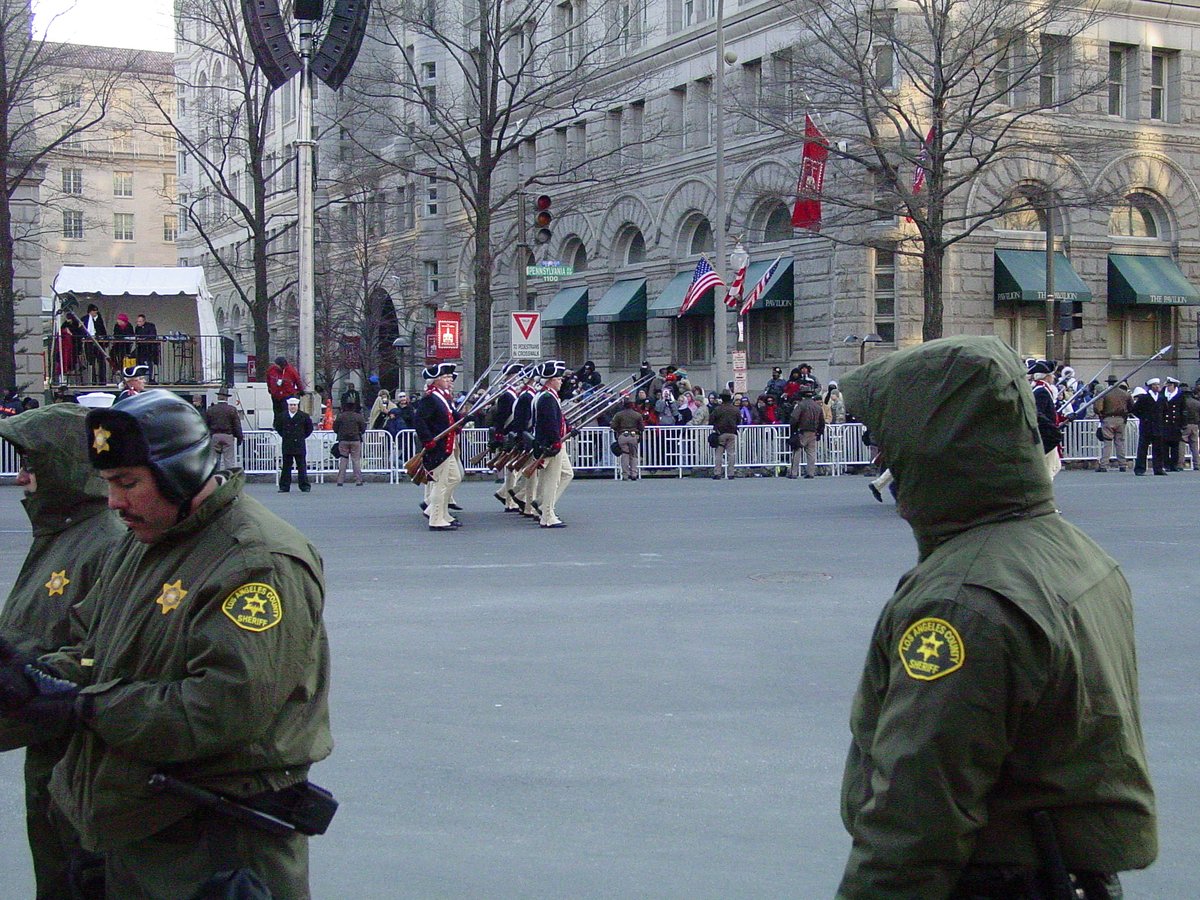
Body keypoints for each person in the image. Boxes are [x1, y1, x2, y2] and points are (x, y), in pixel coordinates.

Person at [836, 335, 1156, 899]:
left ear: (935, 442)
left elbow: (917, 819)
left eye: (888, 439)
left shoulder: (962, 600)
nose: (882, 457)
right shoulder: (1070, 551)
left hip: (992, 879)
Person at [0, 389, 333, 897]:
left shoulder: (256, 562)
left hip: (215, 852)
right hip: (138, 832)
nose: (114, 502)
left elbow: (221, 709)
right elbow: (93, 651)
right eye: (108, 484)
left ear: (182, 472)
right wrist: (33, 678)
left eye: (128, 483)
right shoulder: (144, 544)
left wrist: (85, 706)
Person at [0, 405, 125, 899]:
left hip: (83, 772)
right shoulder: (60, 535)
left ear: (65, 466)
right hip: (52, 764)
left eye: (32, 465)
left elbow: (95, 660)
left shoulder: (104, 543)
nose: (21, 479)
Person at [415, 363, 462, 530]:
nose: (448, 380)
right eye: (444, 377)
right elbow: (420, 421)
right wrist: (428, 441)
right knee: (441, 484)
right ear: (435, 381)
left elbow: (450, 417)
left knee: (454, 478)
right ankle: (436, 518)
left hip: (447, 446)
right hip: (439, 447)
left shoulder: (442, 397)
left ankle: (441, 513)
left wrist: (462, 419)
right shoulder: (430, 398)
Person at [533, 360, 573, 527]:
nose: (561, 381)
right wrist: (555, 442)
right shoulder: (547, 398)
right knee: (551, 481)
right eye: (558, 379)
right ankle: (547, 515)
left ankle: (543, 505)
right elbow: (549, 423)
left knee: (567, 473)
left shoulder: (548, 396)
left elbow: (556, 420)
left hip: (553, 442)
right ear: (550, 380)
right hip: (551, 444)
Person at [488, 362, 527, 510]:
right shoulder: (506, 395)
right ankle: (510, 502)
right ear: (509, 377)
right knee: (512, 471)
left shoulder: (515, 393)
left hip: (514, 434)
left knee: (516, 470)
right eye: (516, 376)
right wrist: (499, 436)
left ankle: (504, 493)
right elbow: (501, 417)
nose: (519, 378)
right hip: (508, 434)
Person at [1028, 359, 1061, 479]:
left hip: (1047, 431)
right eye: (1051, 375)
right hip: (1046, 434)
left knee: (1055, 466)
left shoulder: (1041, 389)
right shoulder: (1041, 391)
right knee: (1049, 468)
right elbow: (1039, 414)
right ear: (1046, 376)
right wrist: (1051, 428)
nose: (1053, 377)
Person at [274, 395, 313, 492]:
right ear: (288, 406)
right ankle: (284, 486)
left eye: (294, 405)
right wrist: (285, 436)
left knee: (302, 466)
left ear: (297, 406)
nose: (293, 407)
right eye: (291, 405)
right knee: (286, 467)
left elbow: (309, 429)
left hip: (299, 444)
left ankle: (304, 486)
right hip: (287, 444)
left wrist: (301, 436)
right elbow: (278, 427)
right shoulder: (282, 416)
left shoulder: (304, 416)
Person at [1093, 374, 1132, 472]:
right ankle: (1122, 464)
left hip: (1108, 418)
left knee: (1107, 442)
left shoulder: (1104, 393)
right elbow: (1131, 407)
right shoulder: (1125, 394)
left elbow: (1098, 408)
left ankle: (1104, 465)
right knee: (1120, 442)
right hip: (1121, 419)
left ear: (1108, 383)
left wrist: (1100, 415)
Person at [1132, 377, 1167, 476]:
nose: (1157, 386)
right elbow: (1135, 409)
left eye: (1158, 385)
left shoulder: (1161, 398)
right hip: (1146, 426)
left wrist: (1162, 421)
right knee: (1143, 448)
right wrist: (1143, 418)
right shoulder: (1144, 398)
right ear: (1151, 387)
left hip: (1158, 426)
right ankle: (1140, 468)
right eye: (1155, 385)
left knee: (1158, 449)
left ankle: (1158, 468)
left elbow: (1165, 411)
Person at [787, 387, 824, 479]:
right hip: (813, 432)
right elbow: (822, 421)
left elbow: (794, 418)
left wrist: (793, 430)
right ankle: (810, 472)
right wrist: (819, 432)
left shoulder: (801, 405)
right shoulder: (817, 407)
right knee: (811, 453)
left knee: (797, 451)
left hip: (802, 431)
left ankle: (794, 472)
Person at [204, 388, 244, 470]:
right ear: (227, 398)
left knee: (215, 460)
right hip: (228, 436)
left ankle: (216, 476)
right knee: (229, 460)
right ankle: (228, 476)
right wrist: (239, 438)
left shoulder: (211, 409)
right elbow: (237, 425)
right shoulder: (232, 409)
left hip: (215, 436)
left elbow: (206, 424)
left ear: (218, 397)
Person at [333, 400, 367, 486]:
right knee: (356, 460)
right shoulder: (358, 416)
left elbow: (335, 428)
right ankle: (358, 480)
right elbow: (363, 428)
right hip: (355, 439)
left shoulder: (340, 416)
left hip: (343, 440)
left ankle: (340, 480)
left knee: (343, 460)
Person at [610, 397, 644, 481]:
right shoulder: (637, 415)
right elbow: (642, 427)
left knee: (625, 455)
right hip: (634, 435)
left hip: (622, 435)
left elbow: (613, 426)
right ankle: (634, 474)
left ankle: (625, 474)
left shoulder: (618, 415)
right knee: (634, 455)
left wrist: (618, 429)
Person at [709, 391, 739, 479]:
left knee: (719, 454)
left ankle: (717, 473)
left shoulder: (718, 409)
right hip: (732, 433)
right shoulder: (735, 409)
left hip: (720, 433)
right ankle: (731, 473)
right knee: (731, 454)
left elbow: (711, 420)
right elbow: (738, 420)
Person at [1161, 376, 1186, 471]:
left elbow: (1183, 410)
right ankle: (1166, 464)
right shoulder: (1163, 395)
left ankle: (1174, 465)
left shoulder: (1180, 395)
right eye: (1167, 385)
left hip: (1175, 424)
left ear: (1174, 386)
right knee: (1165, 446)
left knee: (1175, 446)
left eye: (1170, 385)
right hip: (1165, 424)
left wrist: (1183, 424)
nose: (1168, 387)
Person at [81, 304, 108, 383]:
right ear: (90, 311)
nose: (95, 312)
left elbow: (102, 329)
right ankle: (93, 380)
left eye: (96, 311)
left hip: (99, 343)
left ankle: (102, 381)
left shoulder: (99, 319)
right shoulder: (85, 319)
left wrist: (105, 340)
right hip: (89, 343)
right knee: (91, 362)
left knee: (101, 362)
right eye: (94, 311)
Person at [1180, 381, 1200, 471]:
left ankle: (1180, 464)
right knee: (1194, 446)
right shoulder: (1197, 402)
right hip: (1195, 425)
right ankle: (1197, 464)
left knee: (1181, 443)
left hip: (1185, 425)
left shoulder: (1182, 402)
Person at [133, 314, 158, 382]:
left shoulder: (150, 326)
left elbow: (153, 336)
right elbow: (136, 336)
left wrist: (144, 339)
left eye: (140, 321)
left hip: (150, 348)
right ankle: (140, 377)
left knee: (150, 363)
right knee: (138, 361)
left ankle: (151, 379)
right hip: (141, 348)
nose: (138, 323)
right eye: (137, 321)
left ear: (144, 321)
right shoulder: (137, 328)